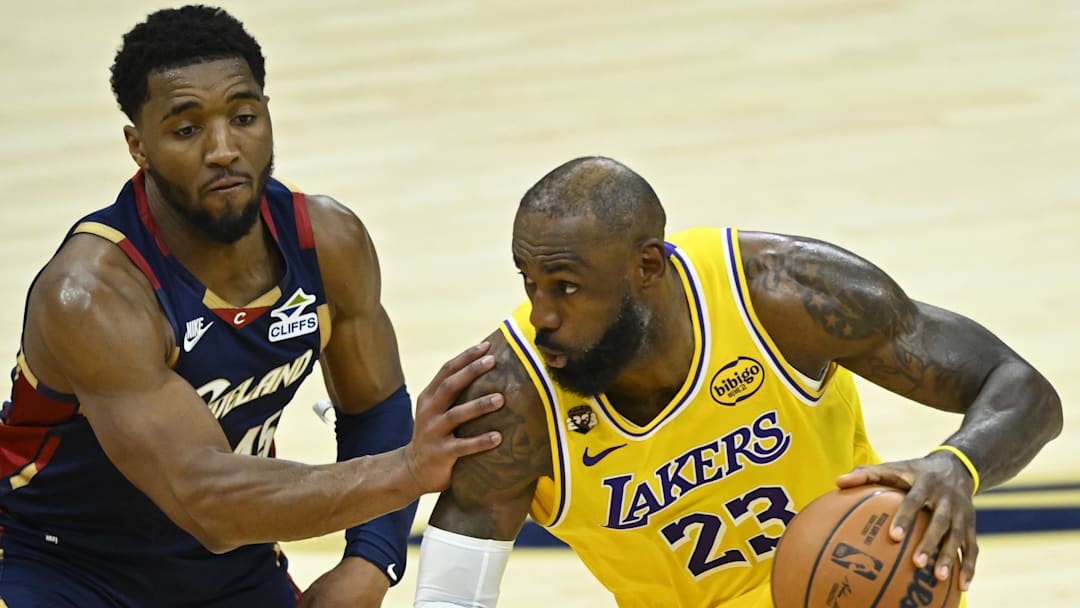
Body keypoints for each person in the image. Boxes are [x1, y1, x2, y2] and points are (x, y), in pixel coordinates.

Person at [0, 6, 504, 608]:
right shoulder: (92, 294)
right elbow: (206, 501)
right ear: (139, 146)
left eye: (243, 118)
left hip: (232, 569)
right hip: (60, 566)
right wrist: (407, 471)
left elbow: (373, 406)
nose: (223, 150)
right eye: (187, 130)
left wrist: (370, 560)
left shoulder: (329, 241)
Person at [412, 156, 1063, 607]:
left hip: (872, 585)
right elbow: (451, 595)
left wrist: (956, 465)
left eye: (567, 287)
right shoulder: (513, 397)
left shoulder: (782, 296)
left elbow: (1019, 387)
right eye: (529, 282)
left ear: (648, 267)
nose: (543, 315)